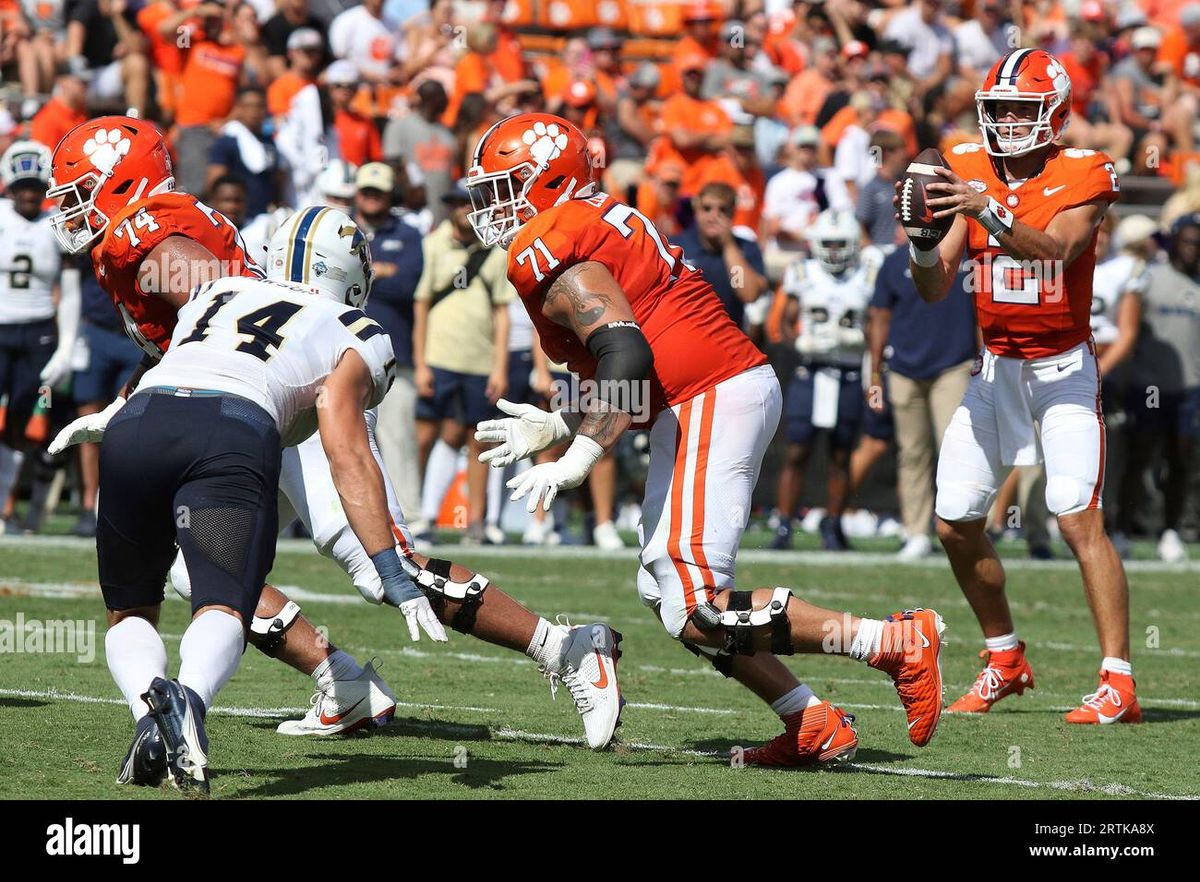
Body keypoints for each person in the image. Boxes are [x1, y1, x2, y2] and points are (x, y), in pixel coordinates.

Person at [47, 120, 625, 751]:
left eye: (79, 191)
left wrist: (141, 405)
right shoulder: (140, 241)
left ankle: (565, 647)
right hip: (248, 410)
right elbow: (193, 338)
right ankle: (341, 680)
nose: (68, 208)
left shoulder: (153, 228)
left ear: (122, 182)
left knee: (383, 568)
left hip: (298, 392)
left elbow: (213, 320)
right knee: (190, 564)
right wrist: (132, 400)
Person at [469, 113, 946, 766]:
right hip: (706, 390)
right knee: (669, 597)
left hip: (711, 394)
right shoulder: (594, 220)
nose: (494, 204)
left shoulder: (553, 244)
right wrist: (558, 423)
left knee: (697, 607)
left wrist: (578, 456)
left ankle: (891, 643)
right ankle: (810, 720)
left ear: (550, 180)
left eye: (508, 185)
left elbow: (630, 357)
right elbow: (644, 353)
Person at [92, 210, 436, 791]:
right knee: (223, 604)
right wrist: (385, 560)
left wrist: (111, 417)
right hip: (231, 429)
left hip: (138, 421)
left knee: (130, 610)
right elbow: (345, 448)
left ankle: (150, 721)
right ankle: (190, 702)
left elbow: (169, 361)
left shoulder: (219, 288)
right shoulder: (362, 330)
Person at [903, 49, 1135, 723]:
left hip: (1064, 369)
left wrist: (990, 212)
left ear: (1053, 113)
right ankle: (1005, 658)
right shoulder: (966, 164)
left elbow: (1057, 250)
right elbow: (937, 282)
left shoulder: (1083, 171)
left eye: (1021, 108)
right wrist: (922, 243)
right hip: (996, 367)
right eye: (998, 108)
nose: (1006, 120)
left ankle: (1118, 681)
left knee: (1074, 515)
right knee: (954, 521)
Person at [771, 209, 883, 551]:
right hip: (811, 371)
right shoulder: (803, 272)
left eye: (841, 244)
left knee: (840, 455)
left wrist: (861, 342)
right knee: (797, 452)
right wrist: (798, 342)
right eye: (828, 243)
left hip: (849, 374)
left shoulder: (866, 275)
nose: (834, 251)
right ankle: (784, 525)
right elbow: (784, 323)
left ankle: (833, 526)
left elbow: (876, 325)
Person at [412, 179, 511, 543]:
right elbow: (421, 305)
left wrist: (499, 367)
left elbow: (503, 314)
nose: (464, 210)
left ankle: (477, 521)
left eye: (471, 204)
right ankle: (418, 516)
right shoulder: (433, 245)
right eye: (458, 203)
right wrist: (421, 363)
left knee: (478, 441)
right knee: (427, 435)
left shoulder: (496, 252)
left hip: (480, 361)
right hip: (439, 357)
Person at [866, 246, 976, 560]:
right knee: (912, 453)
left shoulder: (964, 258)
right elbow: (879, 317)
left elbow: (982, 312)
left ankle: (963, 527)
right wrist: (875, 372)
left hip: (954, 364)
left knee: (955, 449)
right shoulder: (891, 261)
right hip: (903, 368)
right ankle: (916, 530)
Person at [0, 141, 79, 532]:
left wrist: (65, 347)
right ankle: (5, 508)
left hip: (39, 333)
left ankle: (13, 509)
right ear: (9, 187)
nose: (29, 194)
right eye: (22, 187)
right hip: (1, 327)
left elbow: (69, 291)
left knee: (30, 422)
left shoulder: (55, 223)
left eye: (35, 186)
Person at [1119, 214, 1200, 563]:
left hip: (1189, 388)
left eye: (1198, 243)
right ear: (1175, 241)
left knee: (1180, 461)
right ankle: (1122, 528)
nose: (1192, 248)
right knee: (1139, 458)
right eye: (1187, 240)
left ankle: (1170, 531)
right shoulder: (1150, 278)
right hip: (1148, 385)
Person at [355, 162, 425, 533]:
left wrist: (368, 272)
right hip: (347, 353)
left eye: (378, 192)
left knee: (398, 439)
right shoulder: (343, 227)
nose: (370, 198)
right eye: (366, 191)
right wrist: (383, 271)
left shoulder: (409, 233)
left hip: (395, 353)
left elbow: (409, 283)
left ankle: (410, 517)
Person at [674, 181, 767, 331]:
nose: (714, 216)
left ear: (732, 213)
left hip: (729, 337)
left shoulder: (745, 247)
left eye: (722, 210)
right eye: (707, 208)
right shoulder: (676, 246)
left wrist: (729, 245)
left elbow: (748, 294)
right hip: (685, 333)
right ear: (696, 210)